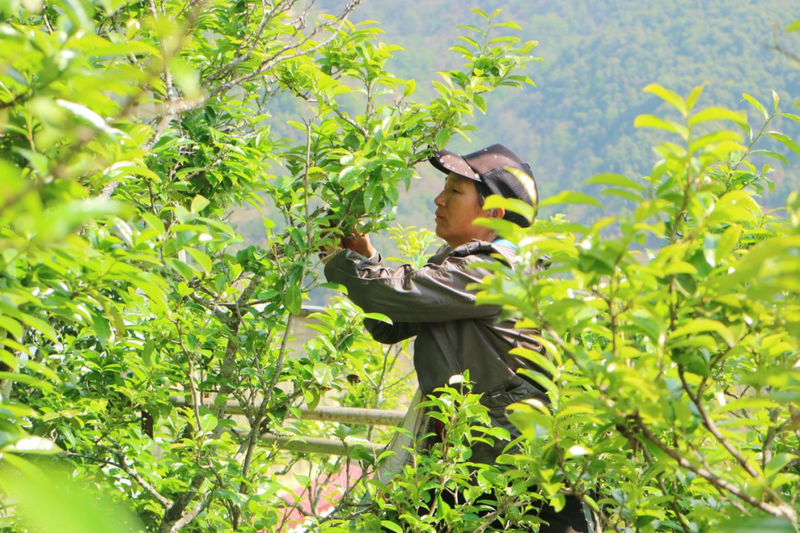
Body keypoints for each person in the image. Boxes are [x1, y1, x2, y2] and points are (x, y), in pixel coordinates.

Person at [323, 144, 593, 532]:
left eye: (454, 190)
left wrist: (340, 261)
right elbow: (388, 324)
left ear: (496, 214)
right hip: (474, 465)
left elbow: (394, 294)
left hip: (510, 474)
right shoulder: (463, 268)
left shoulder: (495, 272)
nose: (439, 198)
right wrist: (365, 259)